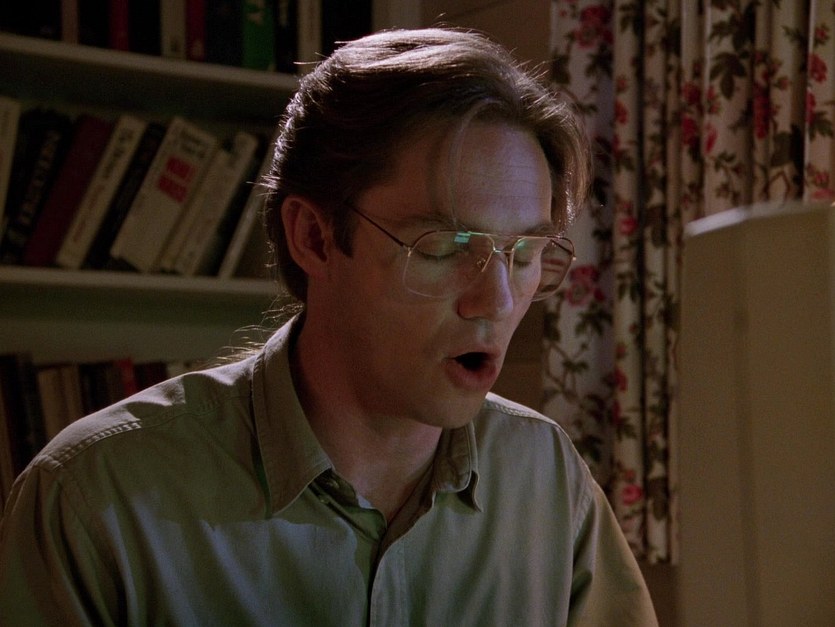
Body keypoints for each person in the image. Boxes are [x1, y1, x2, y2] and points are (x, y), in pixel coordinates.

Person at [0, 28, 657, 625]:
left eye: (525, 253)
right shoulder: (96, 498)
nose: (497, 299)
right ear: (313, 237)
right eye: (442, 247)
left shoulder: (546, 477)